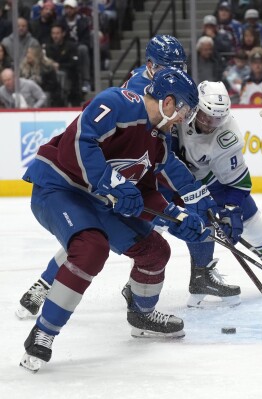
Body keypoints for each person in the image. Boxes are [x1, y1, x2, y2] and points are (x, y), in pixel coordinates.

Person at [18, 67, 214, 373]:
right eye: (185, 111)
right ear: (170, 101)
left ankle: (141, 315)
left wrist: (177, 216)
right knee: (91, 248)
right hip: (60, 188)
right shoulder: (119, 102)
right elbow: (79, 142)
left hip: (98, 201)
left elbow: (145, 193)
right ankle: (45, 331)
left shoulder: (159, 143)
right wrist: (112, 181)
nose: (182, 120)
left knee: (155, 252)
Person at [16, 34, 190, 320]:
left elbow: (159, 151)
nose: (175, 72)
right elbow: (151, 151)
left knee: (92, 232)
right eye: (167, 66)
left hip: (127, 170)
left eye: (179, 66)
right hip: (109, 172)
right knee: (87, 232)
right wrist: (188, 188)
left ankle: (46, 284)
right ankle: (47, 284)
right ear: (150, 65)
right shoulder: (141, 92)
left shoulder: (165, 89)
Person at [172, 81, 262, 307]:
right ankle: (148, 282)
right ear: (195, 106)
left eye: (217, 119)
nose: (211, 124)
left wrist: (231, 210)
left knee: (253, 225)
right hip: (173, 179)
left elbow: (238, 184)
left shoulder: (227, 137)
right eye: (207, 117)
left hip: (212, 181)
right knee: (155, 224)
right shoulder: (180, 106)